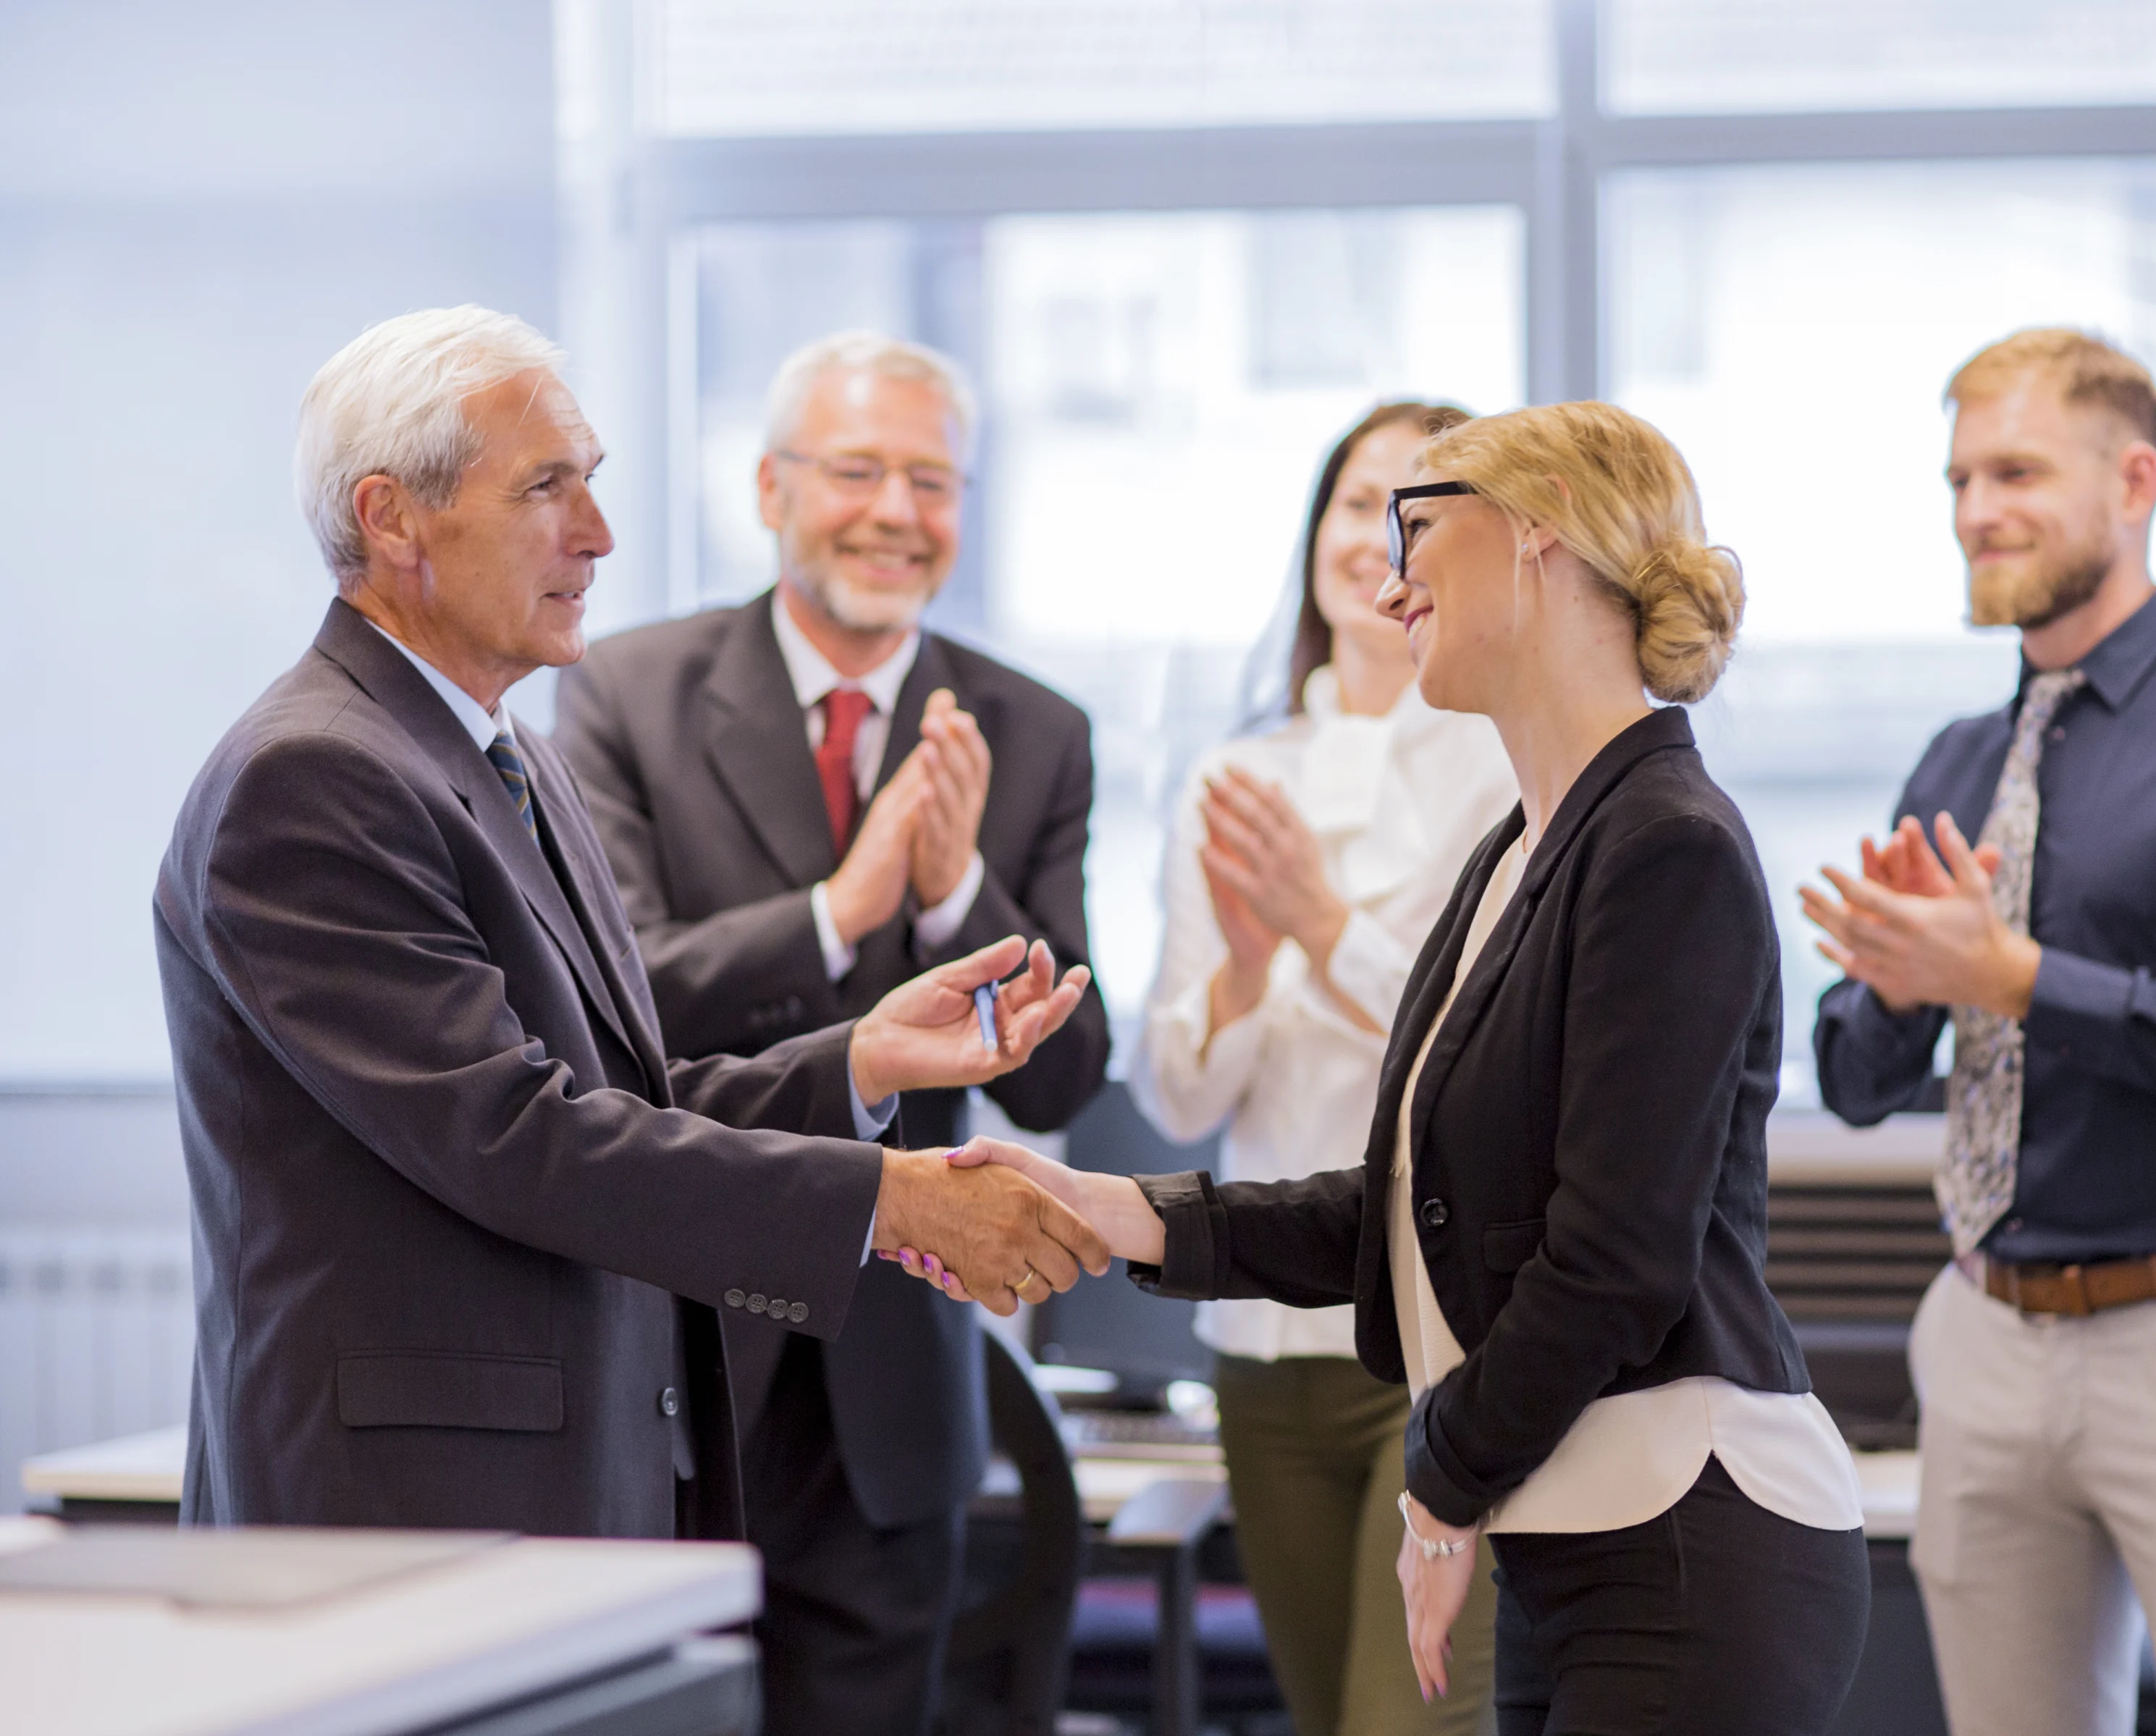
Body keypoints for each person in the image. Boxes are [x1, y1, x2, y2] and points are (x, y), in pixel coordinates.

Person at [953, 402, 1872, 1735]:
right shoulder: (1519, 851)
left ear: (1541, 532)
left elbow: (1614, 1259)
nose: (1389, 583)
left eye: (1419, 530)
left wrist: (1438, 1482)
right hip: (1574, 1541)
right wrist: (1127, 1213)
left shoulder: (1669, 843)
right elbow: (1405, 1203)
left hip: (1691, 1540)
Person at [154, 306, 1109, 1548]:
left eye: (591, 482)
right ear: (392, 519)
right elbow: (517, 1136)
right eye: (546, 488)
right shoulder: (314, 779)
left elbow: (619, 1090)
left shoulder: (510, 757)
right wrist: (892, 1198)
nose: (599, 535)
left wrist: (856, 1063)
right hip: (401, 1521)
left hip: (542, 1493)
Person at [1804, 328, 2156, 1736]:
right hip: (1984, 1331)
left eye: (2014, 470)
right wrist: (1895, 987)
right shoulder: (1958, 756)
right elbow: (1850, 1081)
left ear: (2136, 479)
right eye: (1955, 478)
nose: (1971, 511)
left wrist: (2012, 975)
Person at [555, 332, 1111, 1736]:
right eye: (857, 467)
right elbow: (607, 1013)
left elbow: (1062, 1079)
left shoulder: (1032, 729)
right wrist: (836, 908)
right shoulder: (624, 691)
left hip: (892, 1387)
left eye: (932, 479)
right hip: (675, 1356)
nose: (895, 509)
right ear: (769, 485)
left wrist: (948, 904)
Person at [1136, 403, 1515, 1736]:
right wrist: (1246, 968)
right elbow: (1177, 1095)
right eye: (1358, 501)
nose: (1381, 538)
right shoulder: (1235, 775)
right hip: (1263, 1344)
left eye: (1423, 509)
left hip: (1439, 1340)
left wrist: (1320, 924)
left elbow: (1483, 1054)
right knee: (1320, 1714)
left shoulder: (1507, 760)